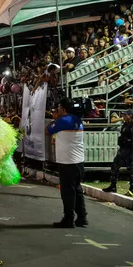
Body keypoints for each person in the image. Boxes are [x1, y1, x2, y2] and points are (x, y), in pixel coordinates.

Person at [46, 98, 88, 228]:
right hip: (78, 161)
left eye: (58, 108)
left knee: (67, 192)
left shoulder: (62, 121)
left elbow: (47, 131)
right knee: (77, 190)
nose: (57, 110)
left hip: (67, 162)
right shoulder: (77, 120)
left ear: (63, 109)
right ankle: (82, 217)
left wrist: (55, 118)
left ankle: (68, 219)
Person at [103, 109, 133, 196]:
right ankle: (113, 186)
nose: (123, 116)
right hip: (122, 150)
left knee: (131, 170)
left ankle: (132, 189)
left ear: (130, 116)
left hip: (129, 151)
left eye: (125, 115)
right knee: (115, 166)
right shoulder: (125, 124)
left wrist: (132, 153)